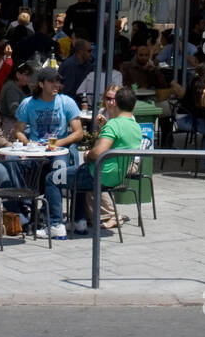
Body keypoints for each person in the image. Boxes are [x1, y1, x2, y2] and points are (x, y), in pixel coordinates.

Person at [41, 85, 144, 238]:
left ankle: (55, 225)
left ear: (116, 103)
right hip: (117, 177)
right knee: (75, 176)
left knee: (52, 178)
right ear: (134, 106)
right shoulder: (136, 127)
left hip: (98, 175)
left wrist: (88, 155)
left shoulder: (114, 124)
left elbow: (98, 152)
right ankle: (79, 222)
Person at [0, 61, 34, 133]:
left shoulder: (19, 86)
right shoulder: (11, 88)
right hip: (11, 126)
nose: (28, 79)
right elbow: (15, 111)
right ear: (18, 75)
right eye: (26, 76)